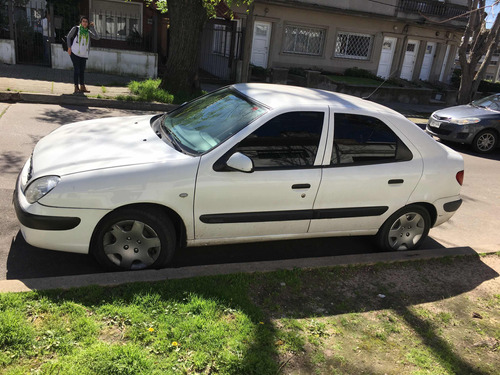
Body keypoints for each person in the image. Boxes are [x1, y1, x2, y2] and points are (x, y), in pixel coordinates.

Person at [67, 16, 100, 94]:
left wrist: (92, 28)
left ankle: (82, 86)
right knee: (77, 70)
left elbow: (97, 37)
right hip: (74, 53)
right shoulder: (76, 29)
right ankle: (76, 87)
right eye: (83, 21)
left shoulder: (88, 32)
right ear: (81, 22)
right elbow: (68, 37)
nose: (85, 23)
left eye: (86, 22)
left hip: (83, 55)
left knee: (82, 71)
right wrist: (69, 48)